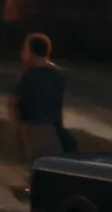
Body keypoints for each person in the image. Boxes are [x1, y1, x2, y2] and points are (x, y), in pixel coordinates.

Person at [10, 33, 72, 169]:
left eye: (25, 49)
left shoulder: (27, 77)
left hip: (34, 132)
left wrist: (19, 127)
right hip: (54, 131)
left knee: (37, 171)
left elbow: (15, 104)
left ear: (31, 52)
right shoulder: (59, 75)